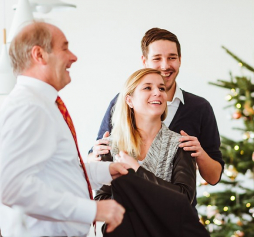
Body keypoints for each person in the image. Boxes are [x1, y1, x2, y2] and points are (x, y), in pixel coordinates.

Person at [0, 22, 129, 237]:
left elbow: (55, 171)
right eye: (65, 48)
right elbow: (12, 187)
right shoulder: (29, 106)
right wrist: (93, 210)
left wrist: (104, 170)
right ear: (39, 54)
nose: (74, 57)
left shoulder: (43, 104)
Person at [97, 68, 214, 237]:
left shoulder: (181, 144)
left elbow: (184, 197)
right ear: (129, 100)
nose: (158, 92)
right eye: (147, 88)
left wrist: (137, 171)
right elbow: (101, 199)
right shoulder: (110, 145)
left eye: (161, 88)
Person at [87, 28, 224, 188]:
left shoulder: (199, 108)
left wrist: (199, 153)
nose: (165, 65)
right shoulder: (121, 103)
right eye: (157, 58)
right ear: (144, 61)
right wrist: (93, 157)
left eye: (172, 58)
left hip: (176, 210)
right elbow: (96, 160)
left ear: (180, 60)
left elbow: (214, 178)